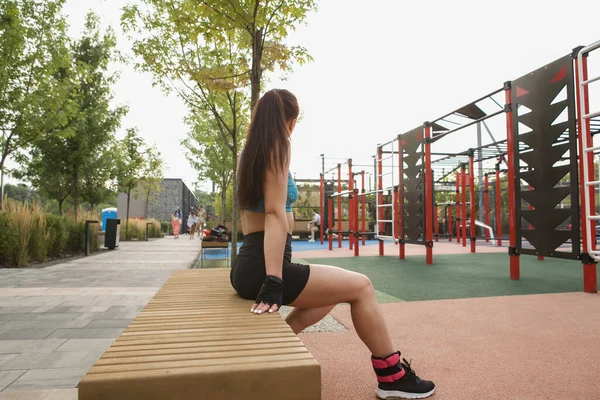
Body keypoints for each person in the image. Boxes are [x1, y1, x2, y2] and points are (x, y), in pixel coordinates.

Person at [231, 89, 435, 399]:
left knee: (331, 293)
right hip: (265, 265)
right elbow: (273, 213)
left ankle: (274, 344)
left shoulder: (249, 154)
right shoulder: (277, 148)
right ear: (289, 121)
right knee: (362, 287)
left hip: (250, 261)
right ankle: (393, 378)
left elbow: (266, 214)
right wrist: (273, 279)